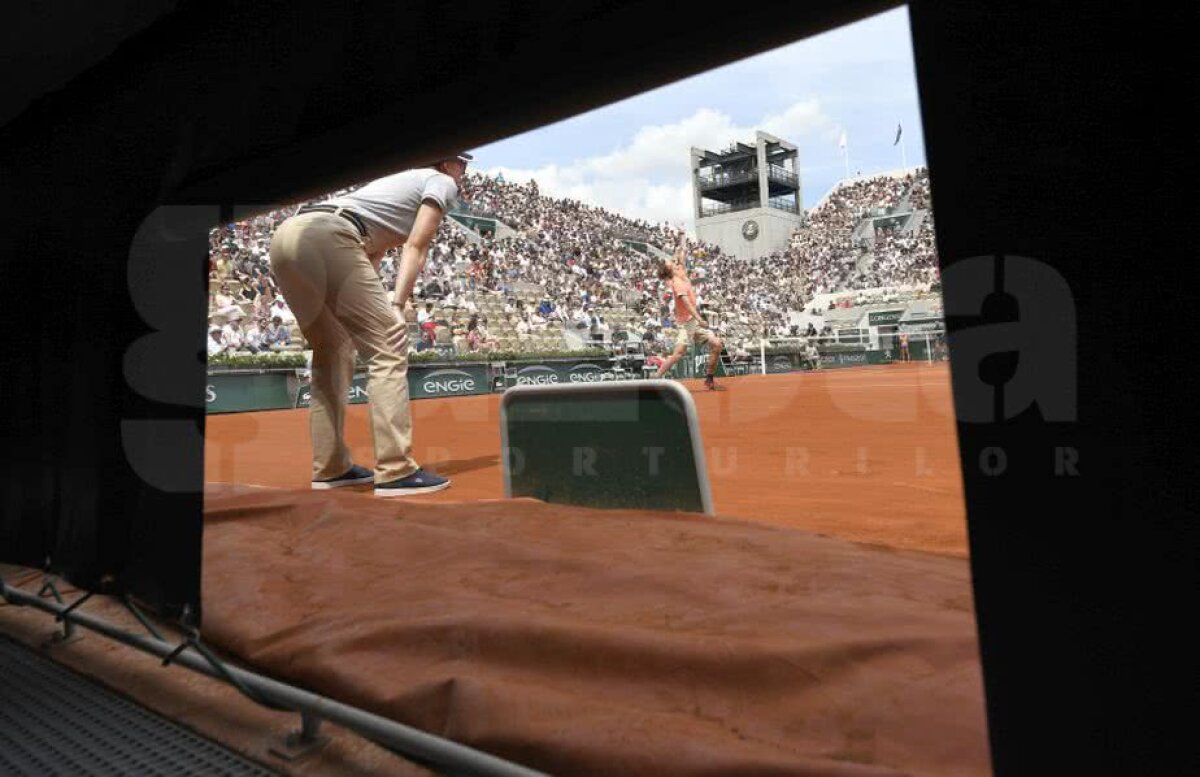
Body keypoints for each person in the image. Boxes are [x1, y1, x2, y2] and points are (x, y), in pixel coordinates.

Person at [268, 152, 474, 496]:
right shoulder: (440, 181)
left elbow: (367, 257)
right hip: (332, 235)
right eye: (461, 162)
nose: (463, 170)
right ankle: (396, 470)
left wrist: (369, 310)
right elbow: (416, 246)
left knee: (332, 352)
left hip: (287, 237)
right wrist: (397, 305)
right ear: (445, 163)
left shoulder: (395, 186)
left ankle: (331, 469)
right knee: (389, 344)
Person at [651, 238, 724, 390]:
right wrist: (699, 318)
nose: (674, 262)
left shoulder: (681, 273)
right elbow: (687, 305)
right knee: (679, 353)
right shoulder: (677, 284)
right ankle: (655, 378)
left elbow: (680, 255)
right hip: (687, 323)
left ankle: (709, 380)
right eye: (671, 263)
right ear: (671, 270)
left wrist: (682, 240)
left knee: (717, 344)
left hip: (693, 323)